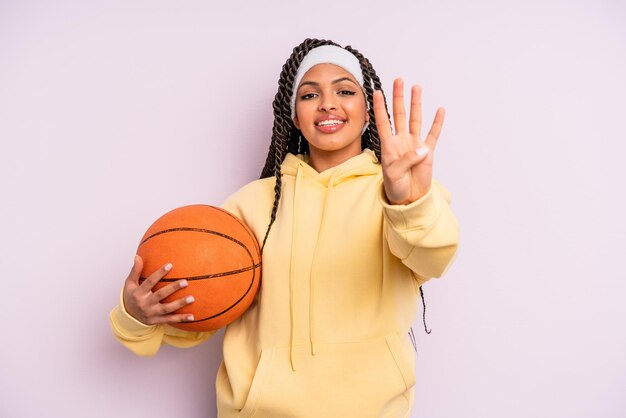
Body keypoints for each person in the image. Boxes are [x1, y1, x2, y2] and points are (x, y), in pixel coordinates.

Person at [110, 38, 459, 418]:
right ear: (294, 116)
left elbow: (434, 256)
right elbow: (207, 309)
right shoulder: (253, 205)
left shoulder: (402, 195)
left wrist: (408, 203)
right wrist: (137, 315)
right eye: (310, 95)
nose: (327, 103)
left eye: (344, 90)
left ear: (367, 111)